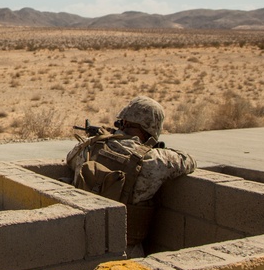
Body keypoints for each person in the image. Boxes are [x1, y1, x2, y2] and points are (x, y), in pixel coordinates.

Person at [65, 96, 195, 255]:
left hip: (81, 243)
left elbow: (70, 159)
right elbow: (188, 160)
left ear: (123, 121)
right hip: (125, 251)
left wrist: (105, 137)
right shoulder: (154, 159)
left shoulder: (90, 146)